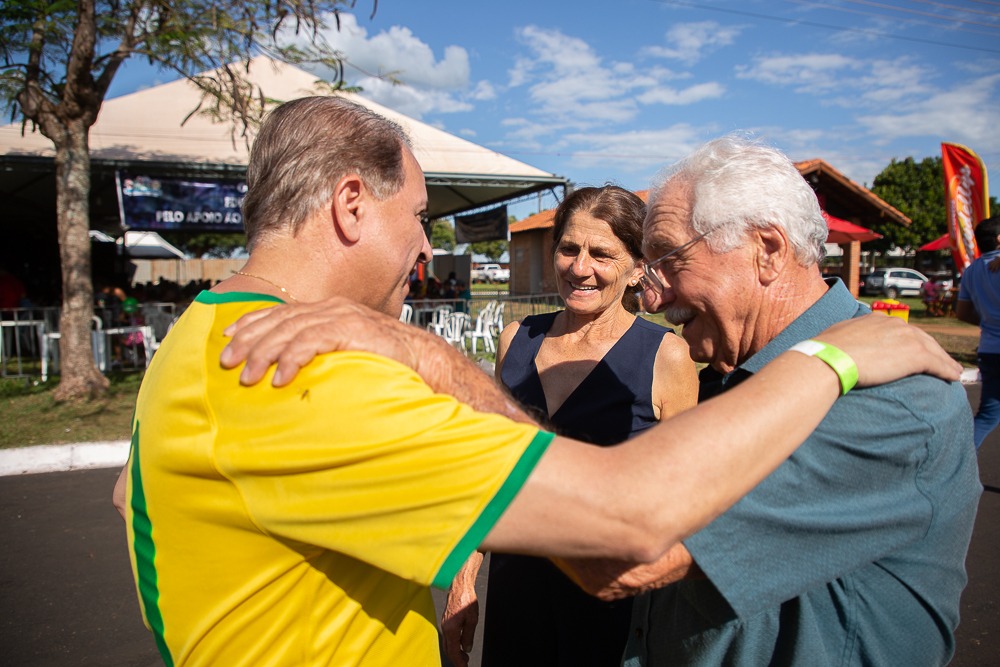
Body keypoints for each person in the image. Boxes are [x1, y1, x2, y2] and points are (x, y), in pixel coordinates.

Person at [114, 99, 962, 667]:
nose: (423, 248)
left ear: (769, 250)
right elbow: (623, 527)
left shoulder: (204, 341)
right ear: (348, 204)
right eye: (420, 218)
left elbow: (130, 491)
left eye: (661, 260)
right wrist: (832, 359)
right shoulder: (296, 370)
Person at [603, 135, 978, 665]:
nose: (651, 295)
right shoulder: (726, 374)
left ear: (768, 251)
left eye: (668, 260)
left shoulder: (893, 400)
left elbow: (632, 552)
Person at [442, 186, 699, 667]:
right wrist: (463, 579)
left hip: (613, 605)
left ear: (636, 267)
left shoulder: (666, 357)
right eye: (568, 249)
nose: (580, 268)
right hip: (516, 591)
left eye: (601, 253)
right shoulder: (516, 341)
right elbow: (489, 473)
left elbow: (685, 505)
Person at [957, 214, 1000, 448]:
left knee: (988, 415)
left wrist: (989, 322)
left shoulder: (972, 271)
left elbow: (962, 312)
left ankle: (954, 462)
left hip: (990, 350)